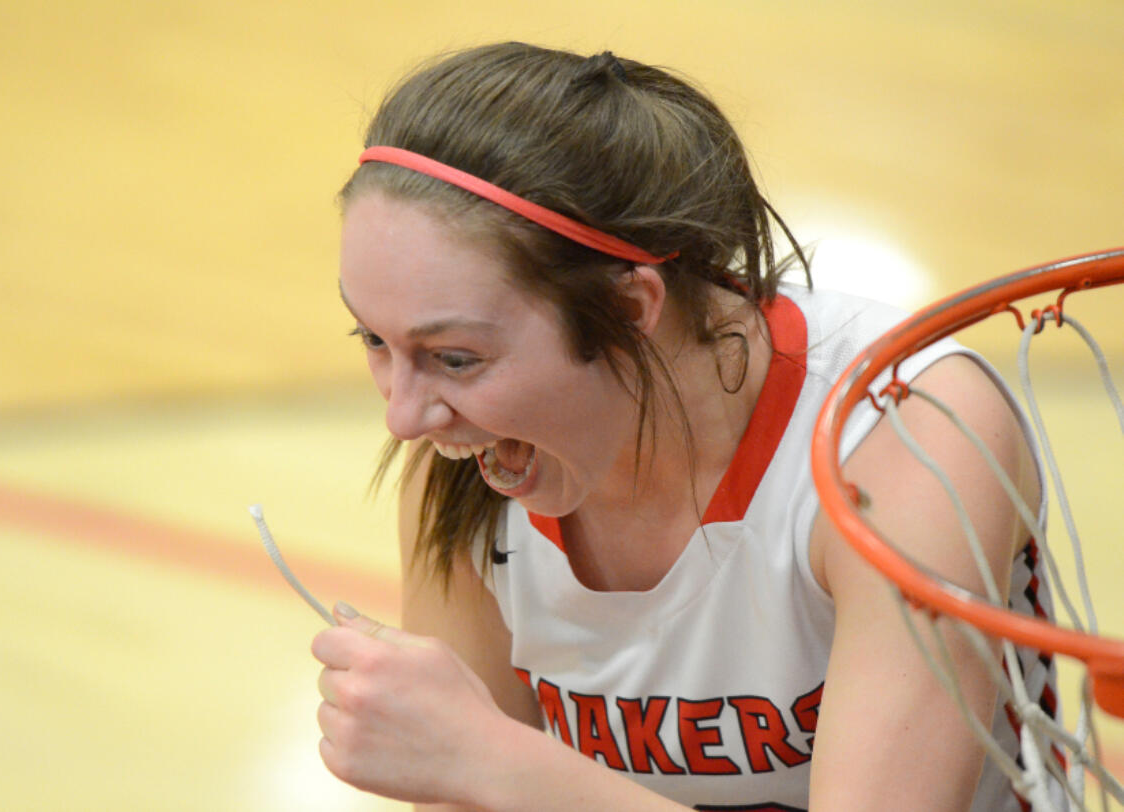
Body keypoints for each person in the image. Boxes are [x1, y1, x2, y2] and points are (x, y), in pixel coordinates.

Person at [310, 42, 1063, 811]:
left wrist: (496, 762)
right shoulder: (471, 463)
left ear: (632, 309)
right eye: (372, 339)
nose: (403, 418)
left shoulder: (903, 434)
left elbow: (488, 777)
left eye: (456, 357)